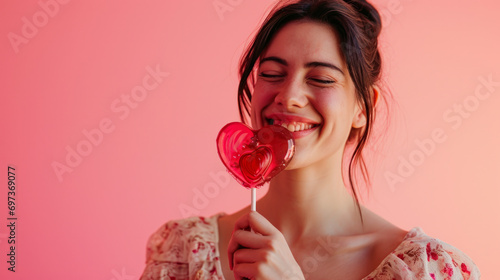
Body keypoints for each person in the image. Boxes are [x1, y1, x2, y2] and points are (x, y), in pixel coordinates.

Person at [140, 0, 480, 279]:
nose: (289, 97)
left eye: (320, 78)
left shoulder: (428, 270)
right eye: (272, 74)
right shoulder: (182, 252)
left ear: (363, 107)